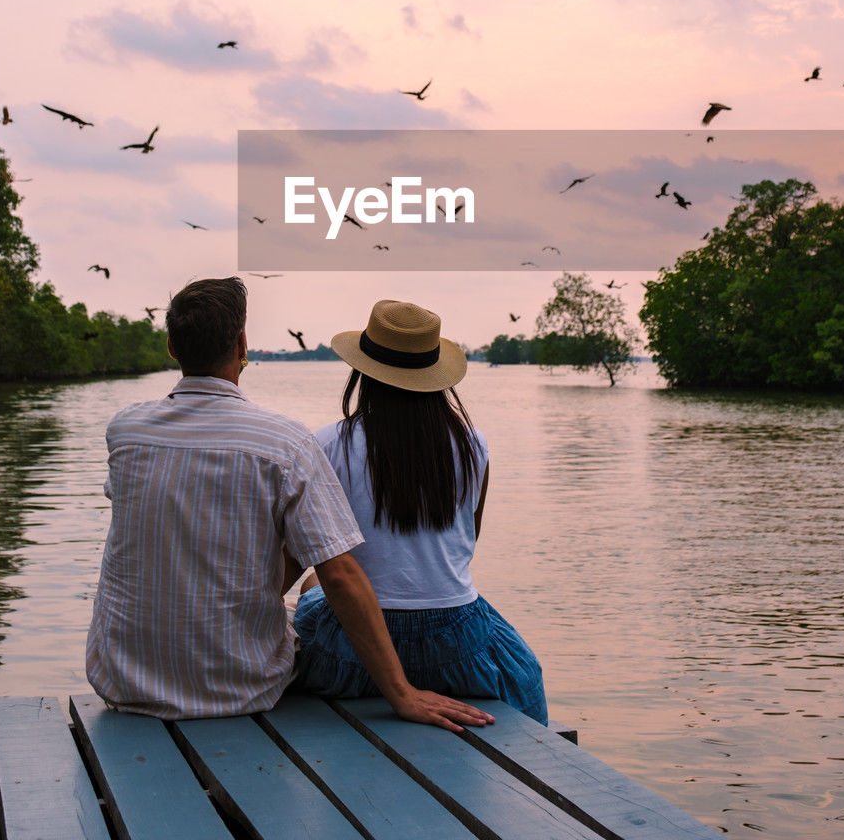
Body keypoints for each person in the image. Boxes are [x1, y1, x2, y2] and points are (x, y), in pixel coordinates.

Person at [85, 276, 492, 731]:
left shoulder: (124, 432)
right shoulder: (285, 443)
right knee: (321, 577)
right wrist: (401, 694)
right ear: (242, 343)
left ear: (172, 348)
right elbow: (347, 571)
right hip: (242, 687)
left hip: (122, 681)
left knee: (308, 581)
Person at [293, 299, 549, 724]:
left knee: (313, 581)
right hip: (455, 646)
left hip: (352, 653)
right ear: (435, 376)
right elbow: (465, 547)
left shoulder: (328, 444)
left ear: (363, 372)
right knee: (525, 673)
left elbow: (309, 554)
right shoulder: (474, 446)